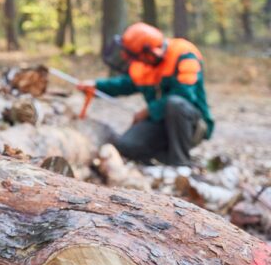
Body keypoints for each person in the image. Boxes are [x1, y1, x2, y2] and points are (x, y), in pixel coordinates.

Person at [78, 22, 214, 167]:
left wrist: (147, 111)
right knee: (126, 145)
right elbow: (125, 84)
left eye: (135, 57)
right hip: (159, 123)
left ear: (150, 53)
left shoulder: (185, 55)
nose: (134, 62)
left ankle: (180, 164)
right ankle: (164, 159)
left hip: (193, 124)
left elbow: (185, 94)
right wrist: (97, 86)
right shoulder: (144, 65)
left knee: (175, 104)